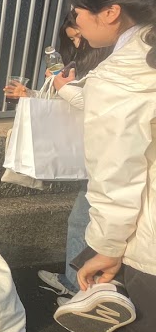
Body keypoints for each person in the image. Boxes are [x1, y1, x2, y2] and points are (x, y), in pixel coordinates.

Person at [50, 0, 156, 332]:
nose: (75, 23)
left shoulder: (124, 75)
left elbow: (118, 176)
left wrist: (107, 248)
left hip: (150, 242)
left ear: (111, 12)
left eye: (78, 13)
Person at [36, 15, 113, 299]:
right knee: (85, 221)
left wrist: (62, 88)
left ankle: (78, 289)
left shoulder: (112, 62)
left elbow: (92, 105)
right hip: (96, 155)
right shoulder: (90, 62)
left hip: (109, 158)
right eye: (72, 38)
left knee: (83, 222)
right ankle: (78, 283)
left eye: (79, 34)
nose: (79, 42)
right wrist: (42, 89)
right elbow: (71, 108)